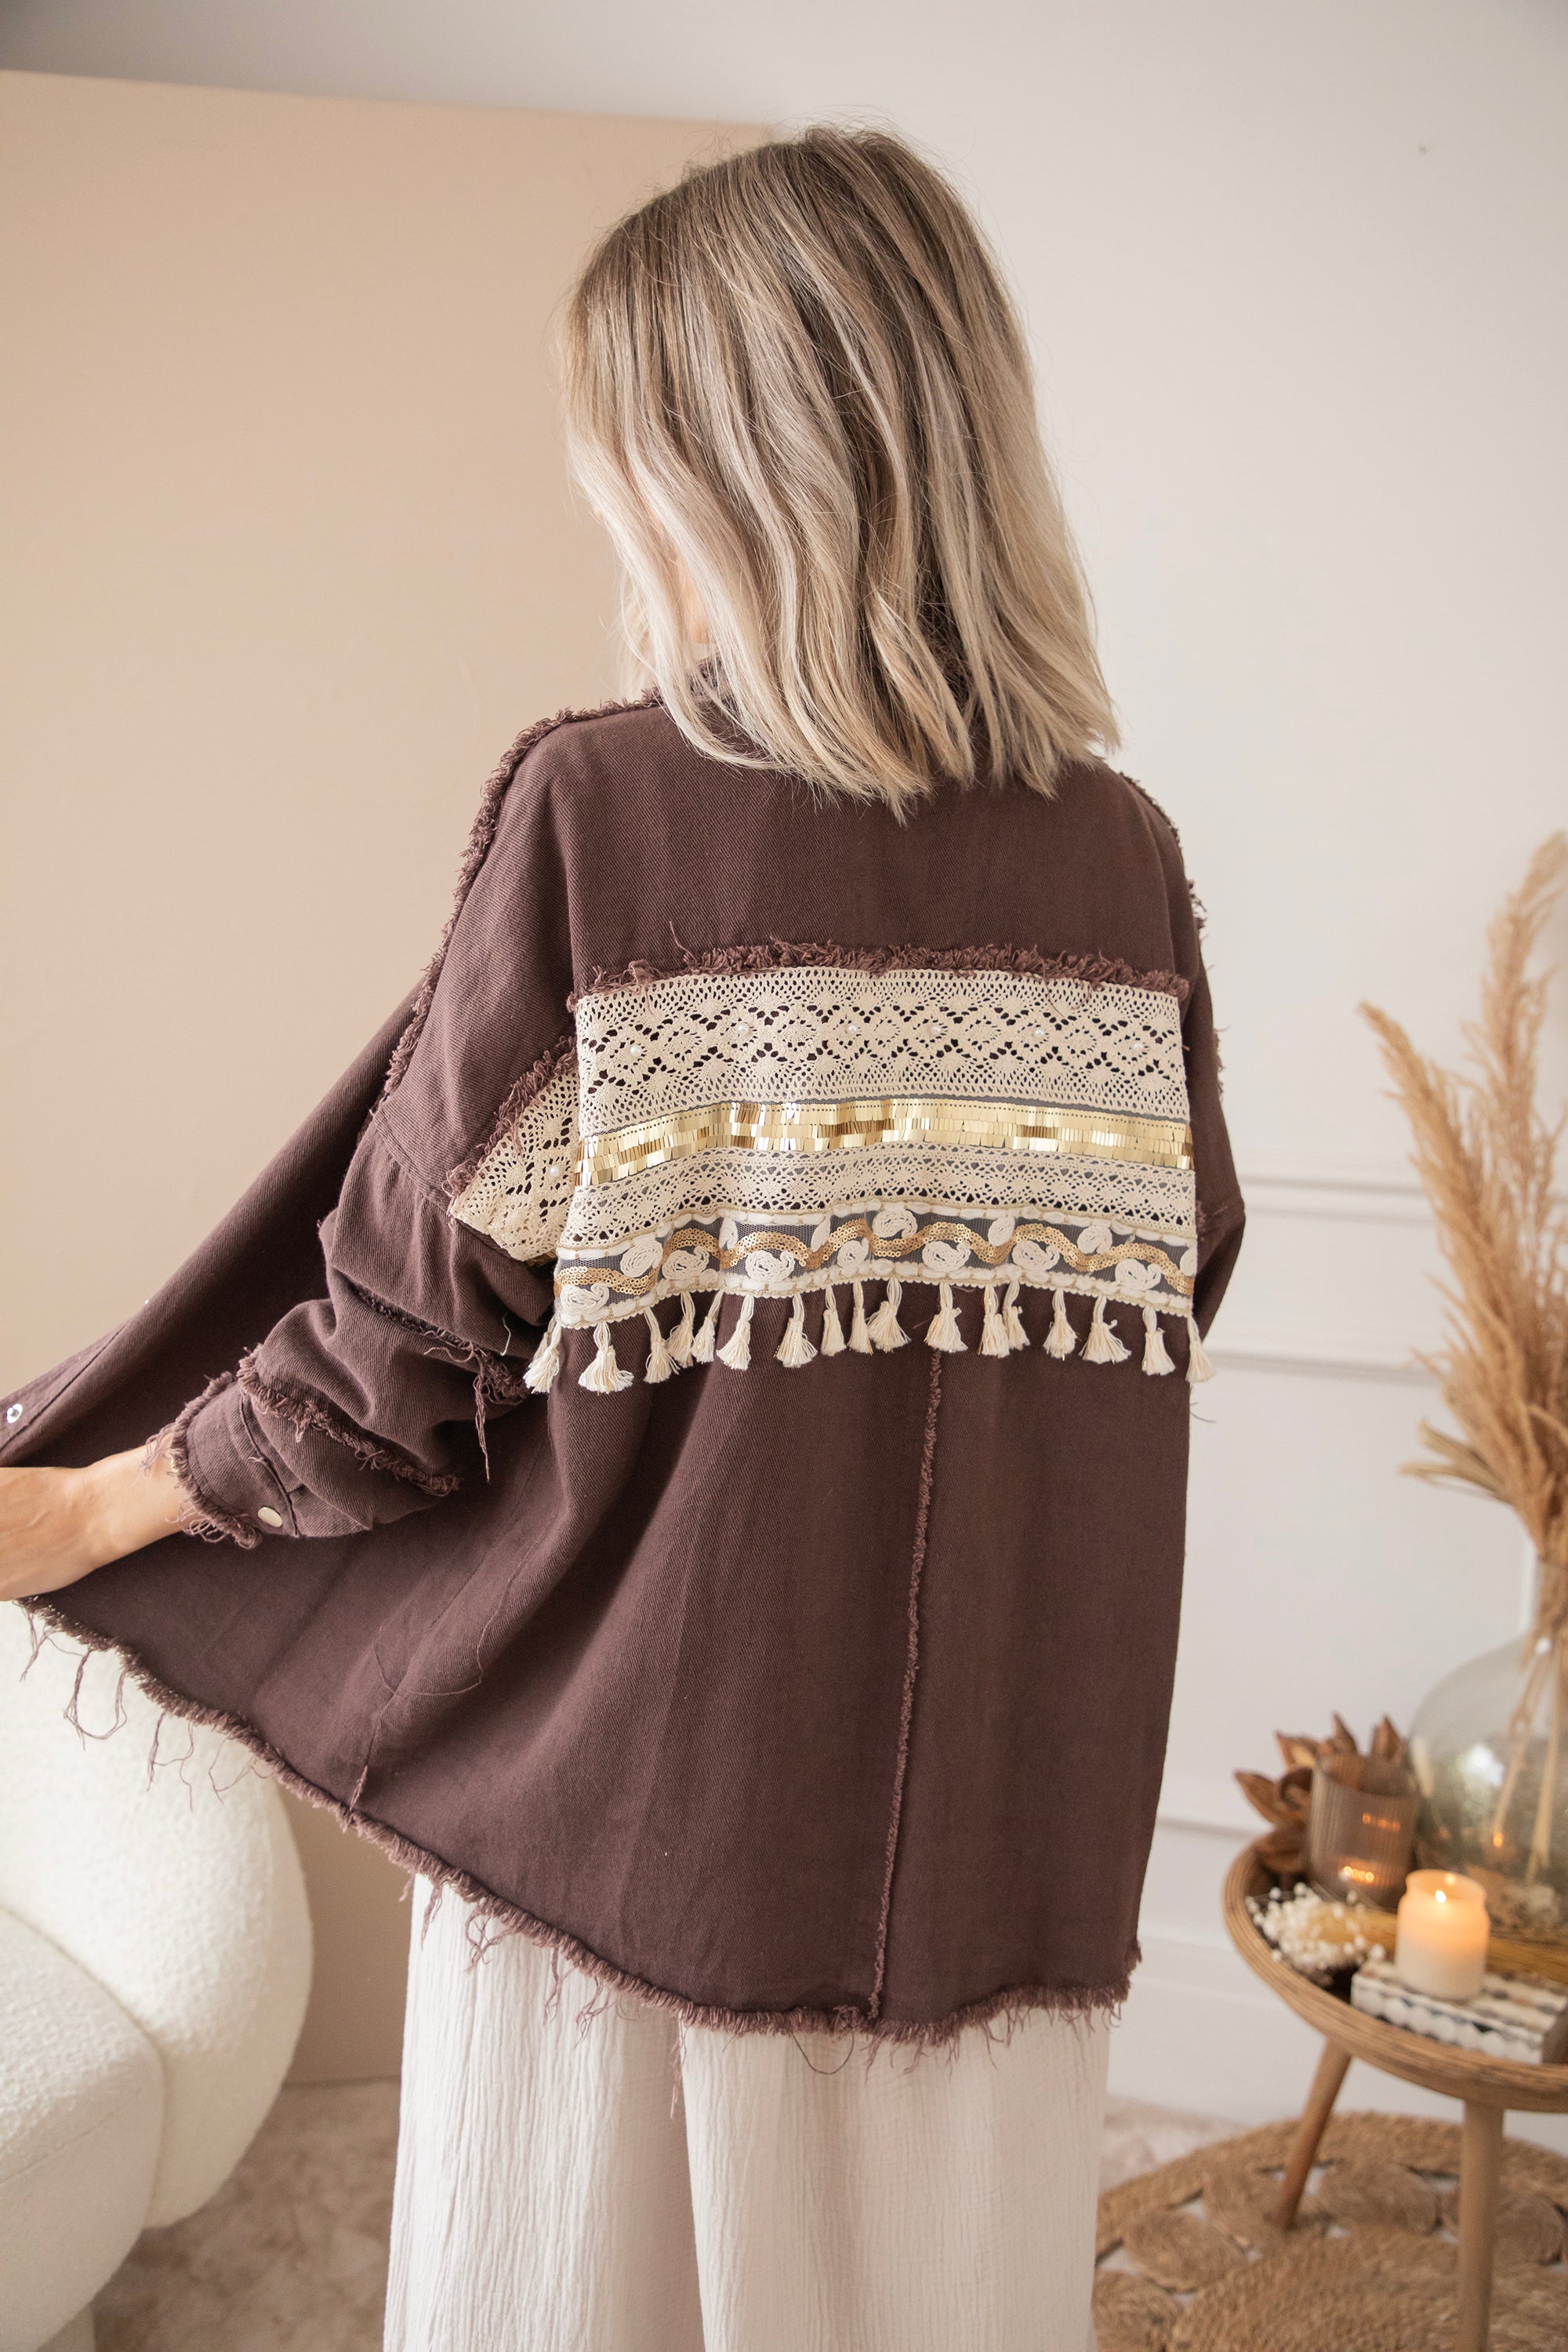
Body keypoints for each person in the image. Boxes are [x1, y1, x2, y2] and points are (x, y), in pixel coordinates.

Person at [1, 126, 1243, 2352]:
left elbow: (407, 1346)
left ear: (717, 463)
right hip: (1000, 1847)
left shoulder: (608, 813)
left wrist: (101, 1501)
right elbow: (1181, 1274)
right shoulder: (1121, 867)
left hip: (649, 1842)